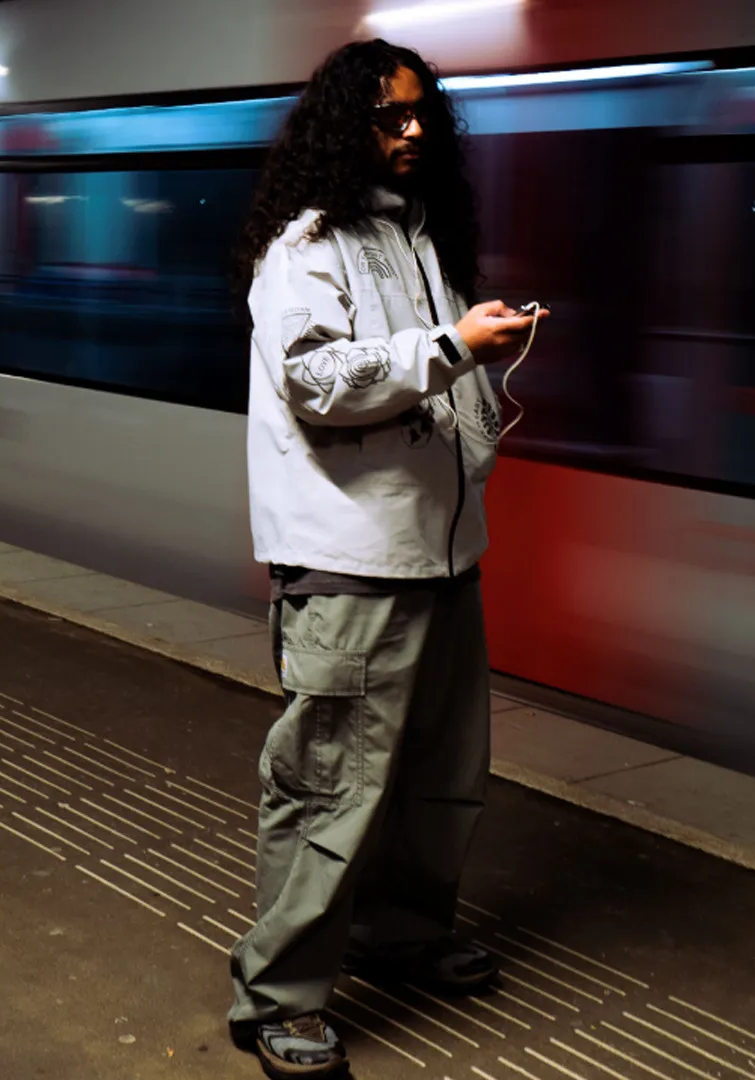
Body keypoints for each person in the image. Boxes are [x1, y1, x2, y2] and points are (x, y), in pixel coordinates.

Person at [229, 37, 548, 1080]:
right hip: (350, 560)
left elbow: (423, 370)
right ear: (343, 126)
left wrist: (476, 351)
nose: (412, 131)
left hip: (442, 555)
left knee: (436, 776)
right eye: (387, 116)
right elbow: (318, 381)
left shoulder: (422, 241)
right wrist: (453, 347)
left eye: (421, 113)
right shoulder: (305, 246)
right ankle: (279, 997)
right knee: (329, 788)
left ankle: (398, 934)